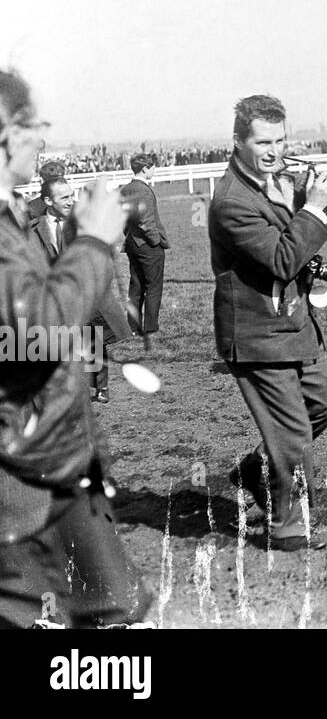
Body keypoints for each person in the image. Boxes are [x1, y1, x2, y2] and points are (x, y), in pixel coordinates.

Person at [0, 68, 152, 628]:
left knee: (116, 608)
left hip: (47, 462)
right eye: (32, 124)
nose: (41, 137)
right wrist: (93, 241)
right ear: (7, 134)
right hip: (20, 479)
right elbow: (37, 329)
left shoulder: (9, 217)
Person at [210, 94, 327, 552]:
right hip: (257, 334)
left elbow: (296, 240)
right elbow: (283, 259)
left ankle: (251, 472)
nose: (274, 151)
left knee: (323, 406)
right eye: (263, 142)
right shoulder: (231, 202)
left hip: (294, 325)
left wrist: (308, 199)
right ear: (238, 141)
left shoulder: (273, 181)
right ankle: (286, 528)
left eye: (280, 140)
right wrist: (314, 208)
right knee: (293, 436)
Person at [29, 176, 132, 404]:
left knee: (95, 339)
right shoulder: (34, 229)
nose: (69, 201)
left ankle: (101, 386)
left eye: (71, 195)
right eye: (63, 197)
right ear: (47, 200)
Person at [120, 153, 168, 346]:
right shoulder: (144, 190)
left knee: (136, 285)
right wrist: (155, 240)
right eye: (153, 167)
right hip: (147, 245)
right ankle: (150, 328)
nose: (154, 170)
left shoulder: (125, 189)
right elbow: (146, 221)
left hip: (132, 243)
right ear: (145, 169)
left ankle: (132, 326)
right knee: (154, 286)